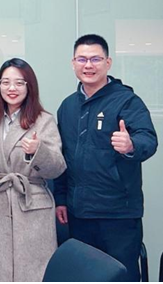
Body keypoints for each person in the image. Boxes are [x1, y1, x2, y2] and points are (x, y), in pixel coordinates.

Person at [53, 34, 157, 281]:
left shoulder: (127, 101)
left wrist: (131, 145)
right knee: (83, 276)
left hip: (118, 215)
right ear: (73, 63)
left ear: (108, 63)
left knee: (120, 276)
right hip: (79, 214)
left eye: (95, 59)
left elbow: (149, 140)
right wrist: (61, 199)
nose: (88, 65)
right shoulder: (67, 107)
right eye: (82, 59)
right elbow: (62, 158)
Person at [0, 58, 65, 282]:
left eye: (19, 83)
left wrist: (38, 151)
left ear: (29, 86)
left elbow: (57, 168)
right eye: (5, 82)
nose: (11, 88)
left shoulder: (43, 120)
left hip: (32, 205)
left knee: (33, 270)